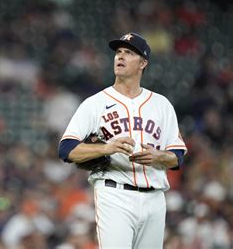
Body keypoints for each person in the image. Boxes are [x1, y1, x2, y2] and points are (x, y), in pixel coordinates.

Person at [58, 33, 187, 248]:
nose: (120, 56)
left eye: (129, 52)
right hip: (114, 194)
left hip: (155, 198)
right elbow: (66, 149)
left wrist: (159, 156)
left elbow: (178, 157)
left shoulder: (161, 104)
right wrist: (106, 148)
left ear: (143, 63)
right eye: (118, 52)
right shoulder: (95, 103)